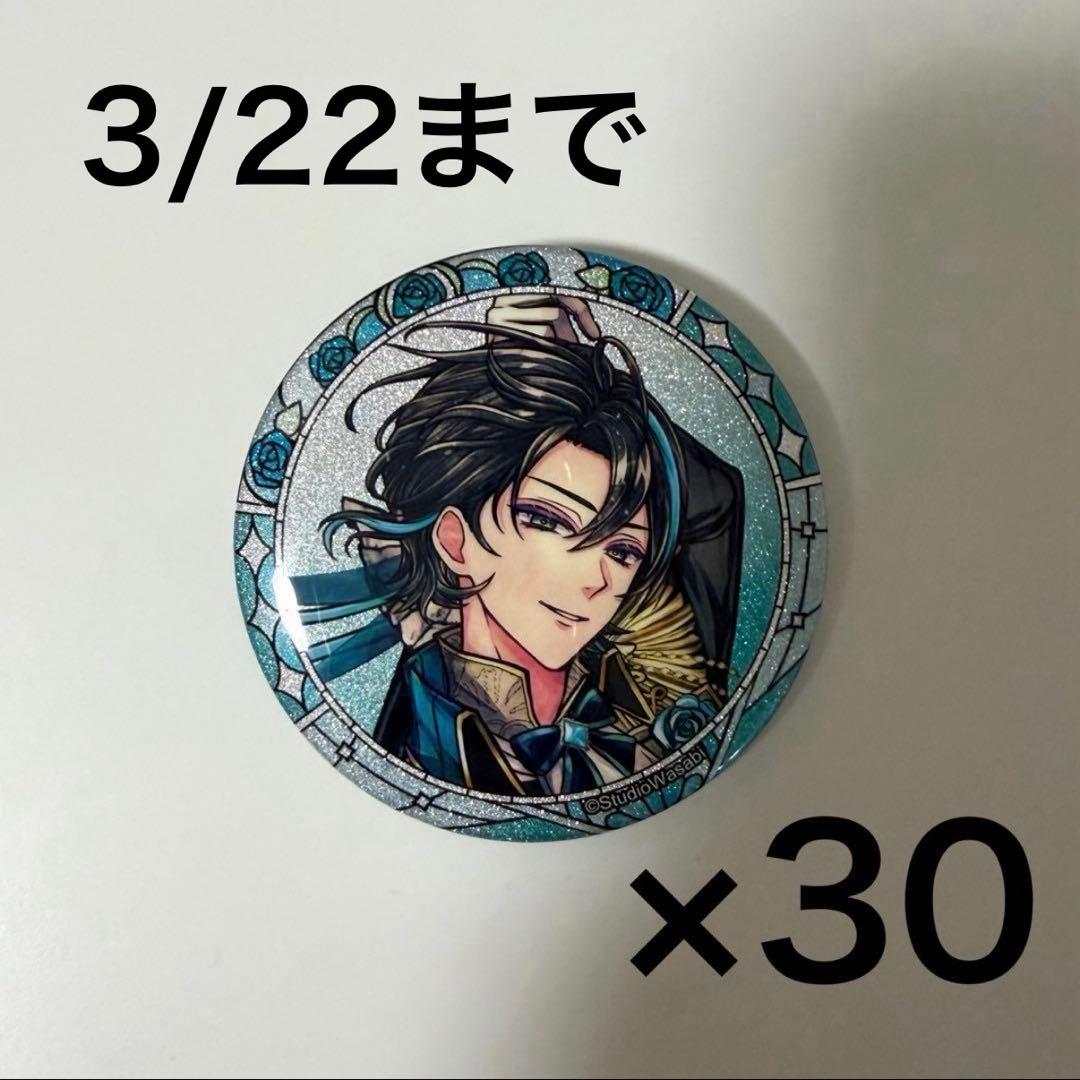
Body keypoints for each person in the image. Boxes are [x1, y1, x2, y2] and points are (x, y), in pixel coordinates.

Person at [289, 295, 745, 796]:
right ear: (455, 541)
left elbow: (717, 498)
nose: (596, 579)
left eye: (622, 551)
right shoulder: (412, 744)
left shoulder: (652, 707)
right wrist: (521, 377)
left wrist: (580, 367)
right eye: (547, 521)